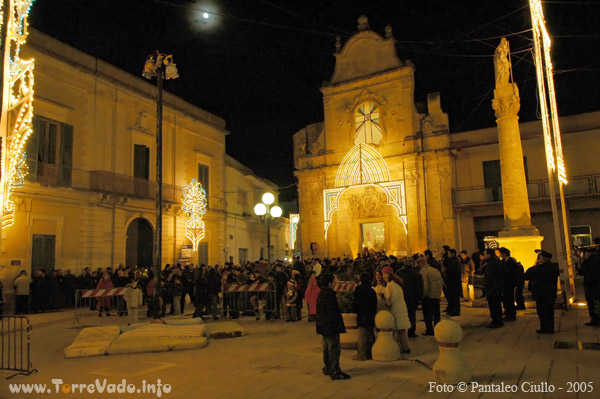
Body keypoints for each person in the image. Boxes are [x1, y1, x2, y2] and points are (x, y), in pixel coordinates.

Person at [316, 273, 351, 380]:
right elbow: (333, 312)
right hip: (330, 326)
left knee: (327, 347)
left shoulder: (322, 293)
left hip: (323, 325)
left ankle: (328, 367)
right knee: (334, 348)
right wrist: (339, 325)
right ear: (329, 283)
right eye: (334, 282)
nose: (335, 284)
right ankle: (335, 370)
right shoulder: (329, 295)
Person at [525, 250, 560, 334]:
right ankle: (550, 328)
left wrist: (534, 265)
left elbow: (527, 276)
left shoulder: (539, 268)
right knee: (550, 311)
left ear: (542, 259)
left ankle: (544, 328)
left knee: (542, 312)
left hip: (541, 294)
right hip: (551, 293)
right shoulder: (553, 268)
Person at [381, 266, 411, 354]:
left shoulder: (391, 286)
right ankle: (406, 348)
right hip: (401, 309)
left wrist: (383, 298)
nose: (384, 276)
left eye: (385, 274)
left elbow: (390, 300)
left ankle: (396, 348)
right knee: (402, 331)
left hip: (396, 310)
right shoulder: (396, 285)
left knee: (395, 330)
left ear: (389, 275)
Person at [351, 272, 377, 361]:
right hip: (371, 314)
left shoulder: (359, 290)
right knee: (370, 334)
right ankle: (370, 353)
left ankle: (361, 354)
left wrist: (354, 309)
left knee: (362, 334)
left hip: (362, 314)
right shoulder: (372, 290)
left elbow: (356, 302)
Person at [397, 258, 424, 338]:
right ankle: (411, 332)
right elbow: (420, 287)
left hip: (402, 297)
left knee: (401, 314)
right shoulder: (416, 274)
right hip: (413, 298)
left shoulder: (399, 273)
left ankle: (402, 332)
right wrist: (420, 298)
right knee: (412, 315)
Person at [419, 257, 443, 336]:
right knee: (436, 314)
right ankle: (438, 329)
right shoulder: (434, 270)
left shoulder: (423, 272)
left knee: (428, 315)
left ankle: (429, 330)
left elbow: (425, 285)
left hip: (429, 296)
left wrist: (423, 295)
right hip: (436, 295)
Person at [578, 246, 600, 326]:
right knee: (597, 302)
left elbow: (581, 271)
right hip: (597, 285)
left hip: (590, 286)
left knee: (592, 304)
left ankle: (595, 320)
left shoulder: (588, 261)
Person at [483, 248, 504, 328]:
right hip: (495, 287)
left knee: (494, 305)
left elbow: (491, 276)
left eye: (485, 254)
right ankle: (498, 320)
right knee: (496, 305)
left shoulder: (492, 263)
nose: (484, 256)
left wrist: (487, 284)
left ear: (489, 254)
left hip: (494, 287)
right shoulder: (495, 261)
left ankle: (496, 321)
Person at [498, 247, 518, 321]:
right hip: (505, 284)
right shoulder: (503, 261)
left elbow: (512, 273)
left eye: (501, 254)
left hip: (509, 284)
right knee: (506, 299)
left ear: (504, 254)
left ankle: (511, 314)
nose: (500, 255)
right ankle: (508, 312)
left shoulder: (511, 261)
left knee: (509, 299)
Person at [443, 249, 462, 316]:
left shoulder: (454, 262)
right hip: (453, 282)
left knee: (454, 298)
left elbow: (452, 272)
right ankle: (452, 310)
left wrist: (446, 271)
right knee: (452, 297)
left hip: (453, 283)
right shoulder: (453, 261)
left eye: (449, 254)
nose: (448, 255)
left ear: (453, 254)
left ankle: (455, 311)